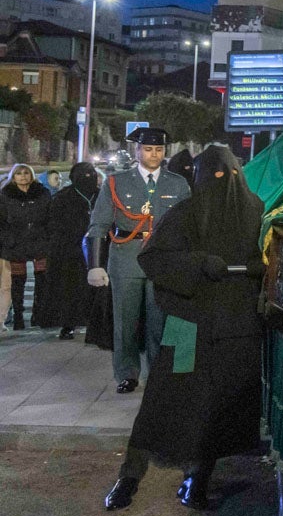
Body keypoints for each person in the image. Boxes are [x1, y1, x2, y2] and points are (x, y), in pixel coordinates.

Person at [103, 146, 267, 512]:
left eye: (230, 175)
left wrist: (257, 267)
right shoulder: (186, 213)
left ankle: (197, 478)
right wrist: (198, 264)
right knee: (163, 401)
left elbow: (265, 253)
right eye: (217, 175)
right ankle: (129, 475)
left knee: (217, 407)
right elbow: (154, 257)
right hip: (188, 326)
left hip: (234, 324)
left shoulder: (255, 211)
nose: (224, 184)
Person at [85, 127, 191, 392]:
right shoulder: (116, 182)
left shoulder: (177, 183)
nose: (153, 155)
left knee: (159, 323)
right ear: (137, 150)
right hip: (126, 258)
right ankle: (127, 373)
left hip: (161, 261)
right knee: (125, 322)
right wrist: (95, 265)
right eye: (148, 149)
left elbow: (188, 225)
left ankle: (156, 374)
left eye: (158, 149)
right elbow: (98, 224)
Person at [37, 162, 101, 339]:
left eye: (91, 174)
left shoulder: (102, 195)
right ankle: (68, 323)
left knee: (96, 289)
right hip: (69, 251)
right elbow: (53, 224)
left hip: (97, 248)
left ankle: (95, 323)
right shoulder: (63, 197)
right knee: (69, 288)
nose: (88, 179)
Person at [1, 163, 50, 331]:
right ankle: (18, 317)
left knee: (42, 280)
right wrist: (7, 240)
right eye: (19, 173)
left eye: (26, 173)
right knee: (17, 282)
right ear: (13, 177)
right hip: (16, 243)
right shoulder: (6, 195)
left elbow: (49, 217)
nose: (23, 176)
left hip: (40, 241)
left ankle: (39, 314)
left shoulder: (42, 193)